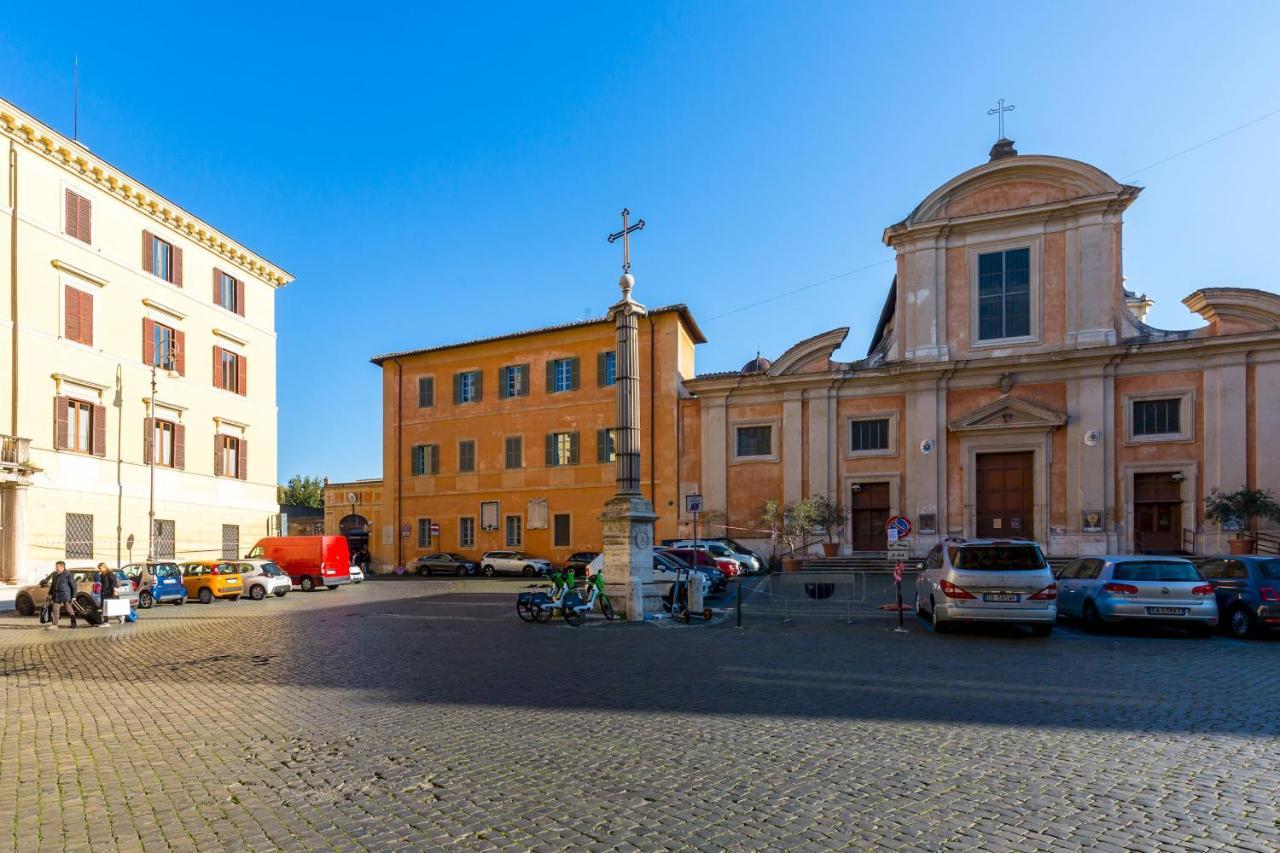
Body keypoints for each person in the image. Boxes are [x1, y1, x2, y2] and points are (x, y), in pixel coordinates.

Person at [46, 561, 78, 630]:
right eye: (56, 567)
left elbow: (73, 586)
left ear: (62, 567)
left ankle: (73, 622)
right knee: (55, 608)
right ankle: (55, 625)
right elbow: (52, 585)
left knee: (69, 609)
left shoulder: (68, 574)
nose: (56, 568)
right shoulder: (55, 574)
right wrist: (49, 593)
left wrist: (74, 596)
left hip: (65, 595)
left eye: (57, 567)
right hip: (56, 595)